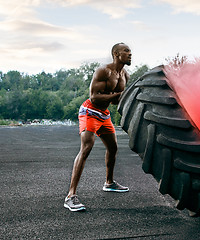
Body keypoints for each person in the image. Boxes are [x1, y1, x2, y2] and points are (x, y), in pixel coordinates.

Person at [64, 43, 132, 212]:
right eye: (126, 51)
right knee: (86, 148)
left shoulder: (125, 75)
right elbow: (94, 97)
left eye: (130, 51)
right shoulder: (103, 71)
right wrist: (118, 95)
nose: (130, 54)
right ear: (116, 54)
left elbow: (115, 100)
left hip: (104, 114)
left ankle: (109, 183)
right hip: (89, 112)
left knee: (113, 148)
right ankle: (70, 196)